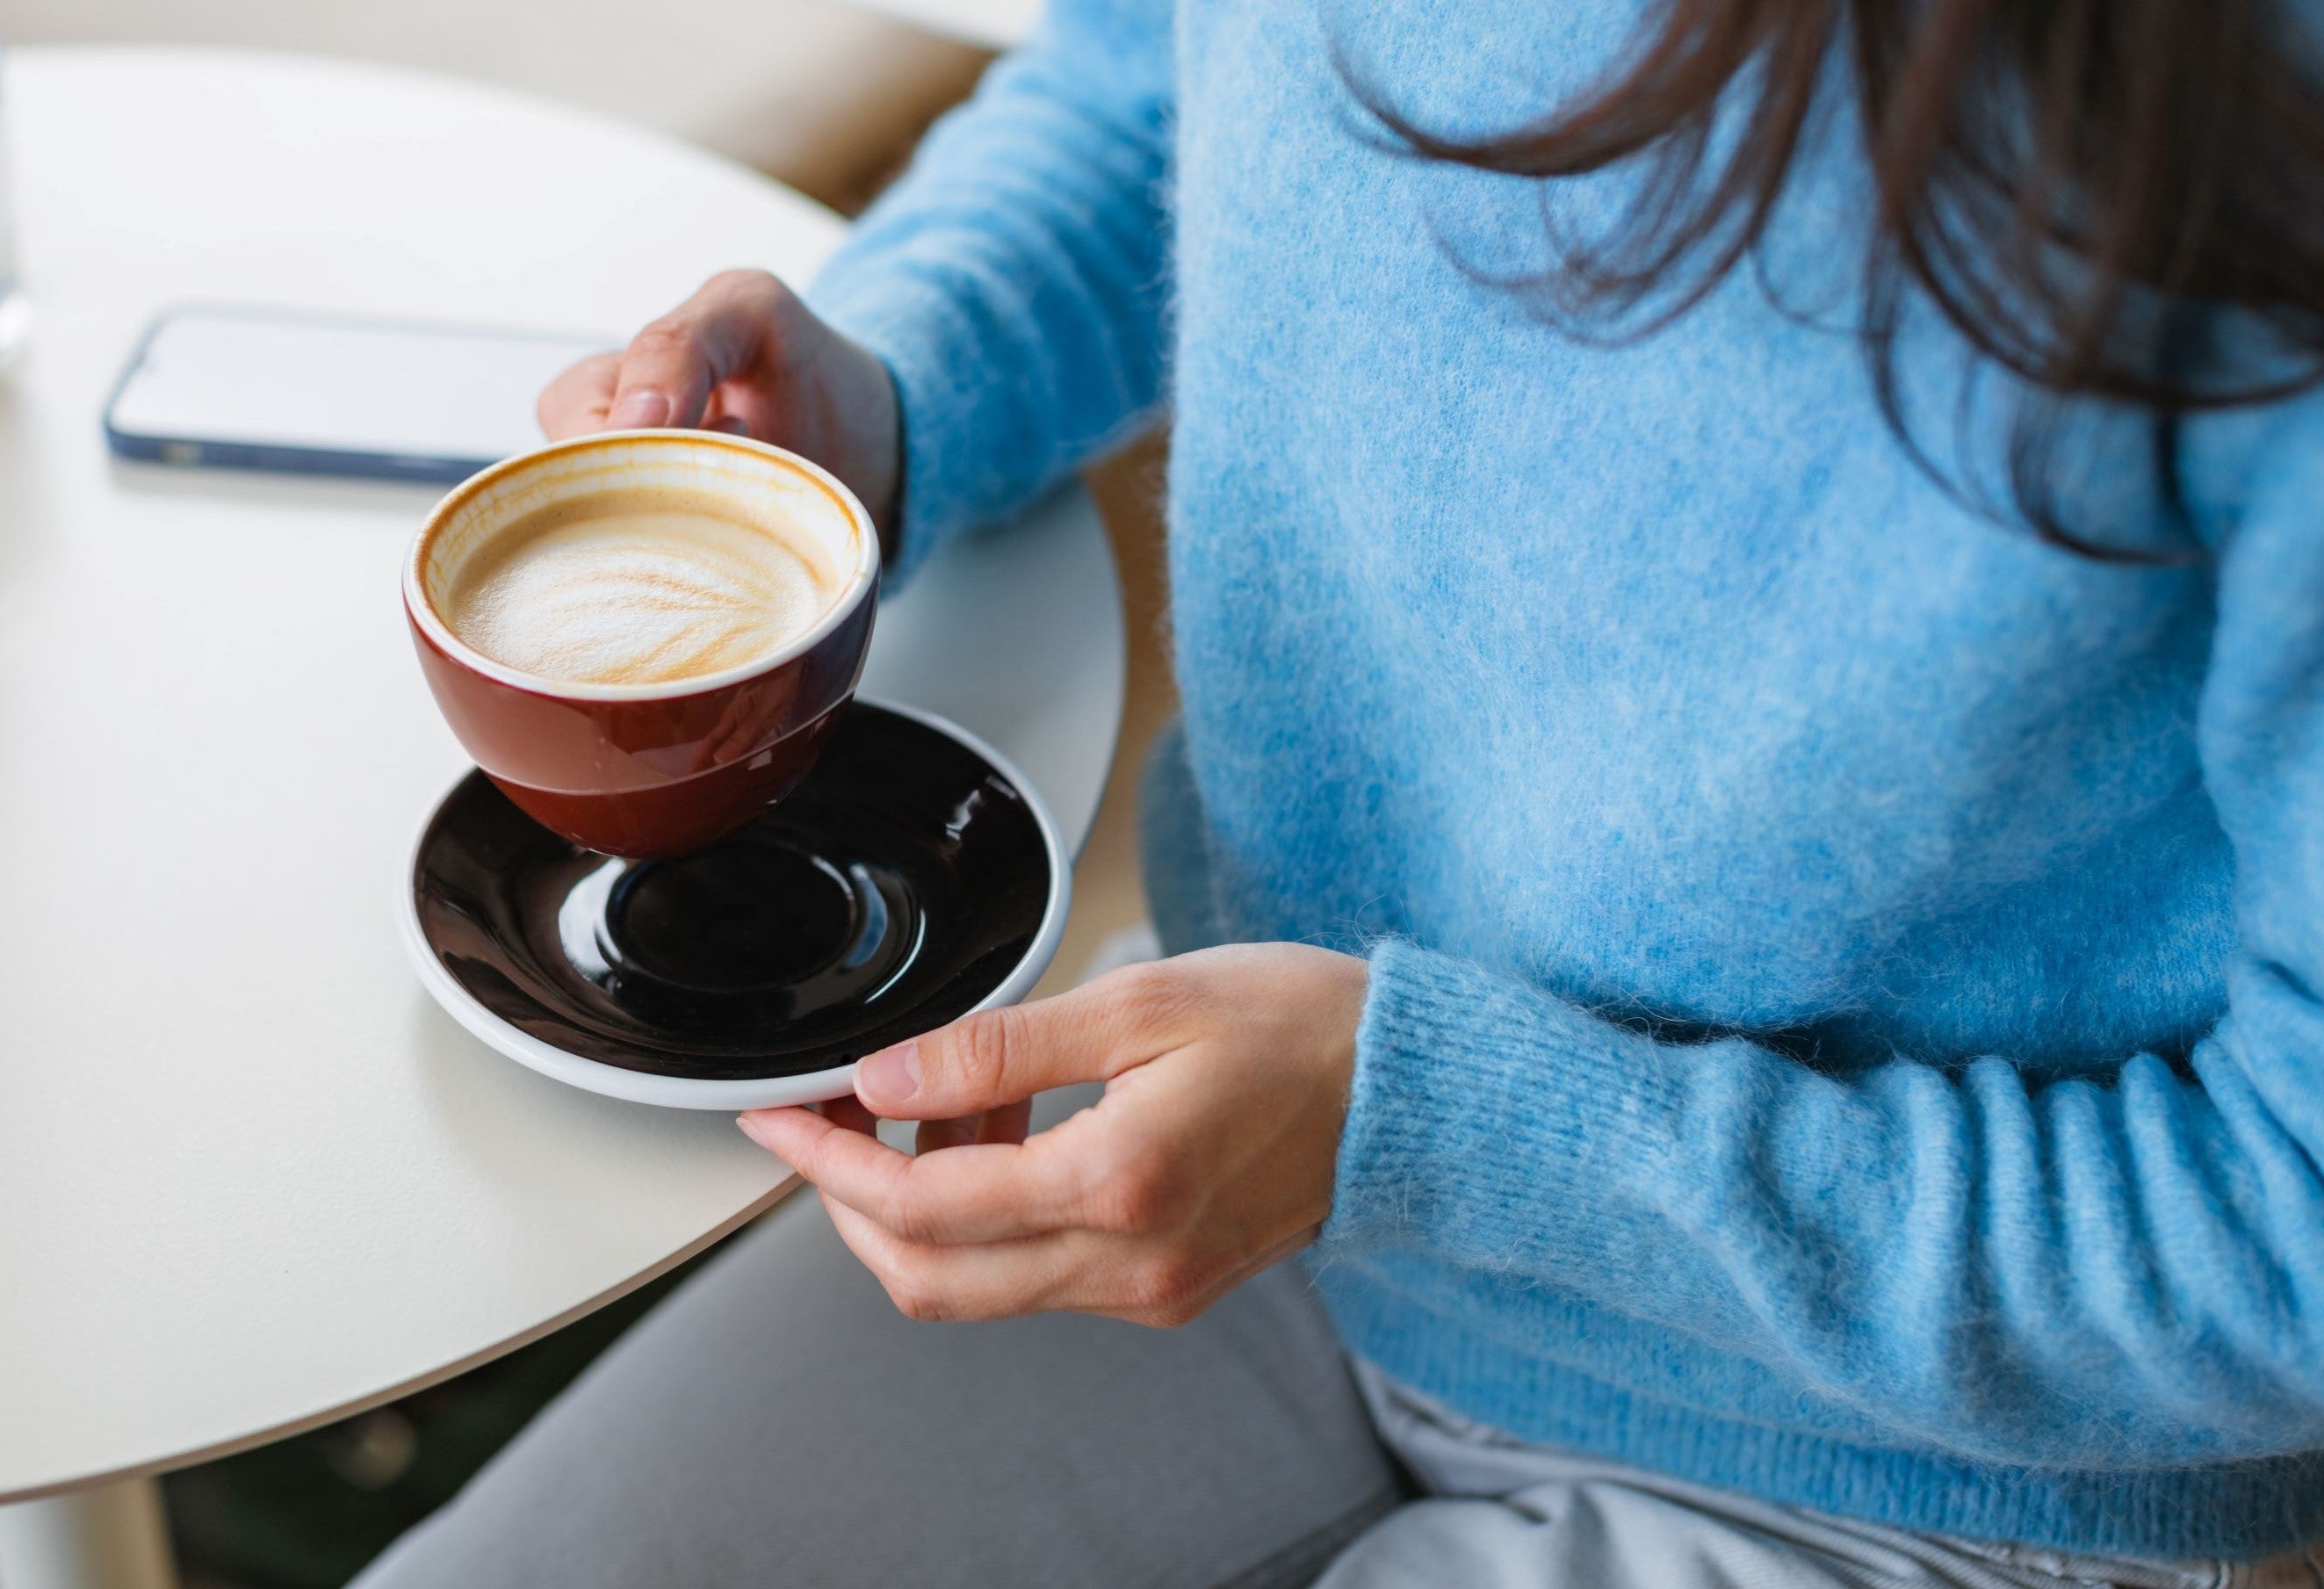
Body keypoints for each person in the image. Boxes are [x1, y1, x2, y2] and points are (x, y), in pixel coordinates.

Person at [357, 0, 2324, 1583]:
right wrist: (900, 383)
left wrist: (1432, 1124)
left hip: (1921, 1467)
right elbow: (1162, 88)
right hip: (1261, 1168)